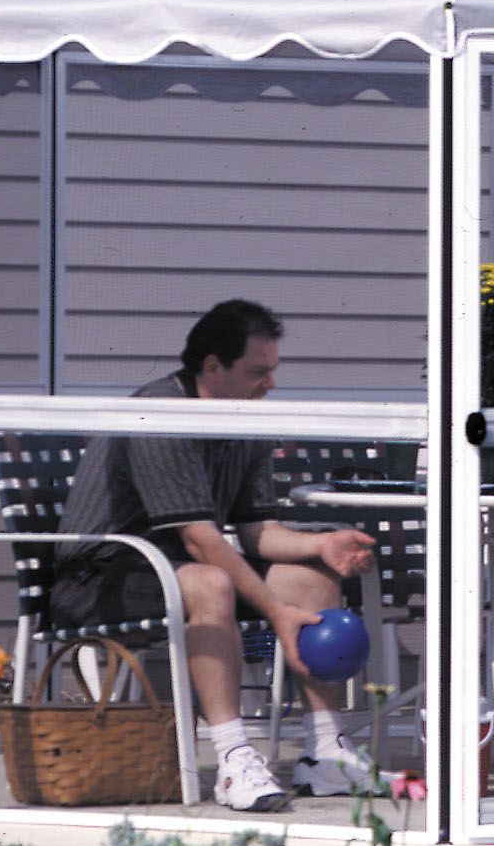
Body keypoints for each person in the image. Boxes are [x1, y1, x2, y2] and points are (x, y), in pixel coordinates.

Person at [50, 299, 380, 813]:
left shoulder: (242, 417)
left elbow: (256, 530)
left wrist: (320, 545)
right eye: (257, 372)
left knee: (311, 579)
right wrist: (275, 613)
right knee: (212, 581)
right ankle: (232, 759)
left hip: (177, 566)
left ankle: (325, 750)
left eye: (272, 371)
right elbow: (201, 540)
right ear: (212, 366)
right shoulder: (162, 413)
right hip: (98, 579)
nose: (269, 384)